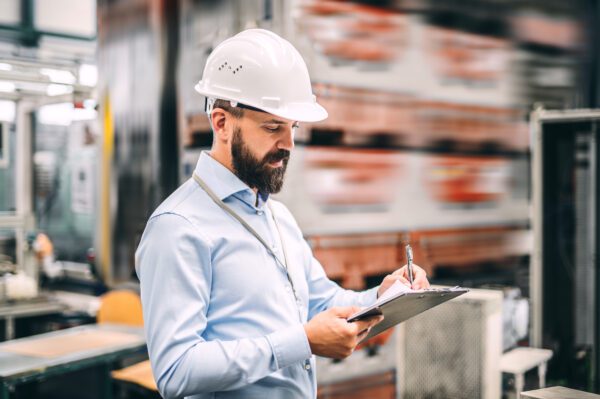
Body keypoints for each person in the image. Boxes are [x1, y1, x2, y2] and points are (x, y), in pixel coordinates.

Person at [135, 29, 429, 399]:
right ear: (222, 123)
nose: (288, 145)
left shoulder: (278, 218)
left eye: (292, 128)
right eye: (273, 127)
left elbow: (322, 302)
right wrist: (301, 342)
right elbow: (176, 371)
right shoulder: (178, 228)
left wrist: (383, 297)